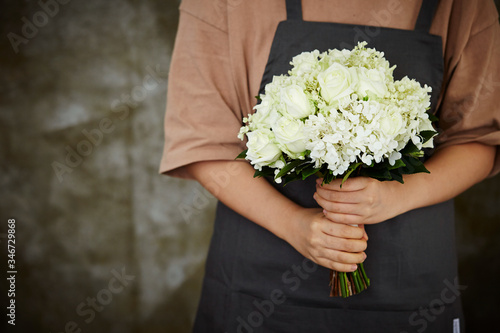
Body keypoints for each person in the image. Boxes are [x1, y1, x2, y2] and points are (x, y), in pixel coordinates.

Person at [160, 0, 500, 332]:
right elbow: (203, 141)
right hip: (259, 285)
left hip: (408, 286)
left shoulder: (464, 5)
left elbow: (479, 138)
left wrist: (395, 195)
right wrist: (293, 223)